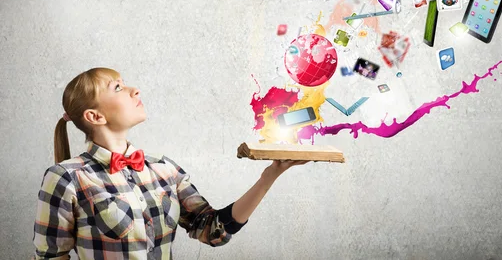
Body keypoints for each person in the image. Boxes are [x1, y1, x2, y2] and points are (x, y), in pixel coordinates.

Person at [33, 67, 308, 259]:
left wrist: (270, 176)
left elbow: (213, 229)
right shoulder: (66, 178)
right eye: (117, 87)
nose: (134, 90)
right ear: (95, 117)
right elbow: (50, 257)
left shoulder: (165, 170)